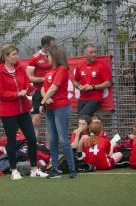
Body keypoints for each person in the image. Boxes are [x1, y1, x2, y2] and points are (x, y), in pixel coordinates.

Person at [0, 44, 48, 180]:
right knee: (11, 141)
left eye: (16, 54)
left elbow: (28, 84)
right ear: (6, 56)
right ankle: (13, 171)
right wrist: (17, 94)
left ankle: (34, 169)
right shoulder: (0, 71)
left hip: (23, 110)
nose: (16, 57)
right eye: (13, 55)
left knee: (31, 138)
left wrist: (29, 90)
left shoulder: (20, 67)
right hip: (8, 113)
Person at [39, 45, 76, 178]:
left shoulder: (62, 69)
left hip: (61, 108)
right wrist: (45, 98)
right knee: (53, 140)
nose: (46, 57)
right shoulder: (49, 71)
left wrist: (43, 101)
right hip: (51, 109)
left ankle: (72, 169)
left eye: (48, 55)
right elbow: (44, 88)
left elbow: (54, 88)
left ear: (53, 56)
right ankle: (54, 169)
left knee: (63, 139)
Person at [26, 36, 57, 147]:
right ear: (46, 46)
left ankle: (48, 149)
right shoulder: (35, 58)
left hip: (53, 92)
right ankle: (33, 148)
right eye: (53, 45)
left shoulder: (55, 56)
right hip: (39, 92)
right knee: (36, 121)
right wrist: (45, 79)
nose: (55, 47)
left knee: (51, 122)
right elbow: (29, 77)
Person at [73, 42, 112, 117]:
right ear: (85, 54)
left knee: (83, 116)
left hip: (95, 98)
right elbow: (75, 82)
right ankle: (94, 128)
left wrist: (92, 87)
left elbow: (108, 83)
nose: (94, 54)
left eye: (95, 52)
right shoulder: (80, 66)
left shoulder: (101, 66)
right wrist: (79, 87)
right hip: (82, 97)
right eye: (91, 52)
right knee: (83, 120)